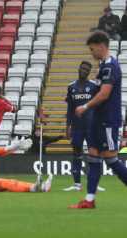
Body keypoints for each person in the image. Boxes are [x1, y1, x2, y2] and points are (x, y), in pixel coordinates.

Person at [69, 31, 127, 209]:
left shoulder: (111, 67)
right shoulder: (103, 66)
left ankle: (89, 198)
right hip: (97, 119)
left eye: (93, 49)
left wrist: (85, 106)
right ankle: (89, 199)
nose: (92, 53)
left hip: (108, 120)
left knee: (110, 159)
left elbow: (104, 94)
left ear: (101, 46)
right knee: (93, 156)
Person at [0, 123, 53, 192]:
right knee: (5, 183)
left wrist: (16, 147)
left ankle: (36, 187)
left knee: (7, 183)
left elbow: (0, 153)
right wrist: (12, 147)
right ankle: (34, 188)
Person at [64, 61, 105, 192]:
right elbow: (70, 108)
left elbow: (99, 105)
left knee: (94, 154)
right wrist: (67, 125)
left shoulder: (93, 86)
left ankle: (95, 183)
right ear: (79, 69)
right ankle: (77, 184)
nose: (84, 70)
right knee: (76, 153)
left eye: (87, 69)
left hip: (92, 126)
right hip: (77, 127)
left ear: (89, 72)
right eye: (83, 68)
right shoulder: (71, 87)